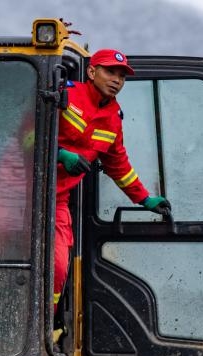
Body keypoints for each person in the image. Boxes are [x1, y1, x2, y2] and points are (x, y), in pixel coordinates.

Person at [54, 48, 171, 308]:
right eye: (110, 71)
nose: (116, 80)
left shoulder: (113, 120)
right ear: (92, 71)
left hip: (57, 199)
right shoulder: (65, 94)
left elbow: (119, 165)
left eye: (122, 75)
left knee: (59, 267)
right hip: (16, 190)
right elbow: (26, 137)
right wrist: (59, 155)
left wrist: (145, 200)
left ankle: (43, 326)